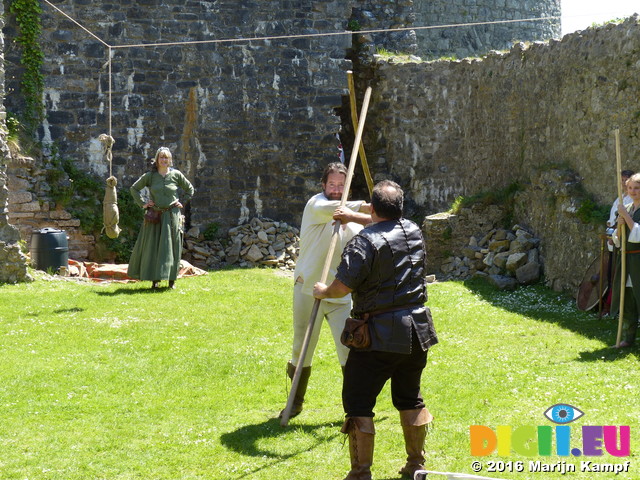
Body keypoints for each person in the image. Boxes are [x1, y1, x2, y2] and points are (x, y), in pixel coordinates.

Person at [313, 180, 438, 480]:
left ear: (373, 208)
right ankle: (416, 466)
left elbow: (343, 286)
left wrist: (323, 291)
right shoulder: (413, 230)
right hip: (416, 332)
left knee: (358, 402)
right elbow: (381, 225)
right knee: (410, 398)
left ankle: (360, 473)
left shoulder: (363, 242)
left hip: (378, 335)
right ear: (400, 207)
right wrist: (352, 216)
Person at [281, 162, 372, 418]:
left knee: (349, 348)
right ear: (323, 185)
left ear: (348, 187)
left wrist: (370, 213)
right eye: (332, 184)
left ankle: (354, 408)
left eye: (341, 185)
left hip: (338, 293)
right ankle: (295, 403)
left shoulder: (352, 223)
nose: (336, 189)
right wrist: (367, 206)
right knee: (302, 347)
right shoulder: (316, 205)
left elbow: (373, 221)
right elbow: (339, 209)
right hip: (307, 289)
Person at [128, 147, 194, 289]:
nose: (164, 160)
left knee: (172, 247)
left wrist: (181, 201)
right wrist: (144, 204)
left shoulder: (176, 175)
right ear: (157, 160)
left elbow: (190, 189)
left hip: (172, 216)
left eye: (167, 157)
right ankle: (155, 280)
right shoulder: (150, 176)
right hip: (155, 216)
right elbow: (134, 189)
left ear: (170, 160)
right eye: (161, 157)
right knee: (154, 247)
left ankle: (171, 281)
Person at [611, 172, 640, 348]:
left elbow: (638, 235)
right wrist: (620, 226)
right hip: (627, 260)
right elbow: (618, 240)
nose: (633, 191)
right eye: (630, 188)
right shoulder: (627, 208)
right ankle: (628, 339)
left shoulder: (629, 211)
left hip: (639, 259)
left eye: (637, 188)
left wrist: (626, 217)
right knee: (627, 299)